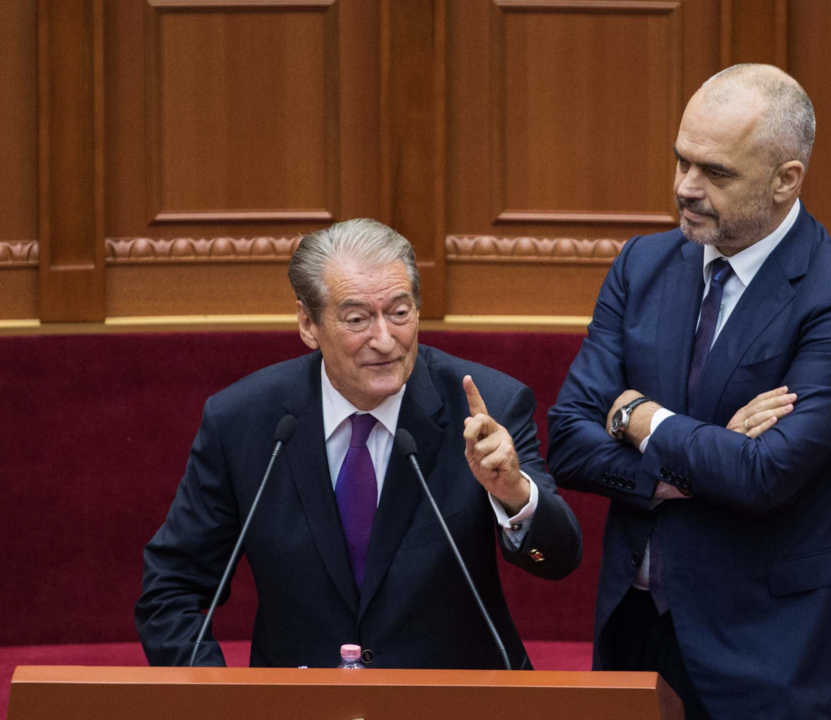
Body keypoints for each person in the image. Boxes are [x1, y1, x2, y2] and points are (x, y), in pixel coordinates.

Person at [547, 64, 831, 719]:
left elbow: (764, 473)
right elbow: (566, 439)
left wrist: (637, 416)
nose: (686, 186)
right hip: (638, 631)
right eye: (681, 160)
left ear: (786, 180)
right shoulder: (642, 265)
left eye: (716, 172)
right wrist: (682, 472)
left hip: (777, 652)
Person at [136, 218, 582, 670]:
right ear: (308, 324)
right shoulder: (244, 421)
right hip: (300, 700)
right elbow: (170, 587)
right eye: (357, 319)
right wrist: (217, 698)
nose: (385, 340)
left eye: (399, 313)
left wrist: (514, 494)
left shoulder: (487, 408)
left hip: (452, 697)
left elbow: (558, 560)